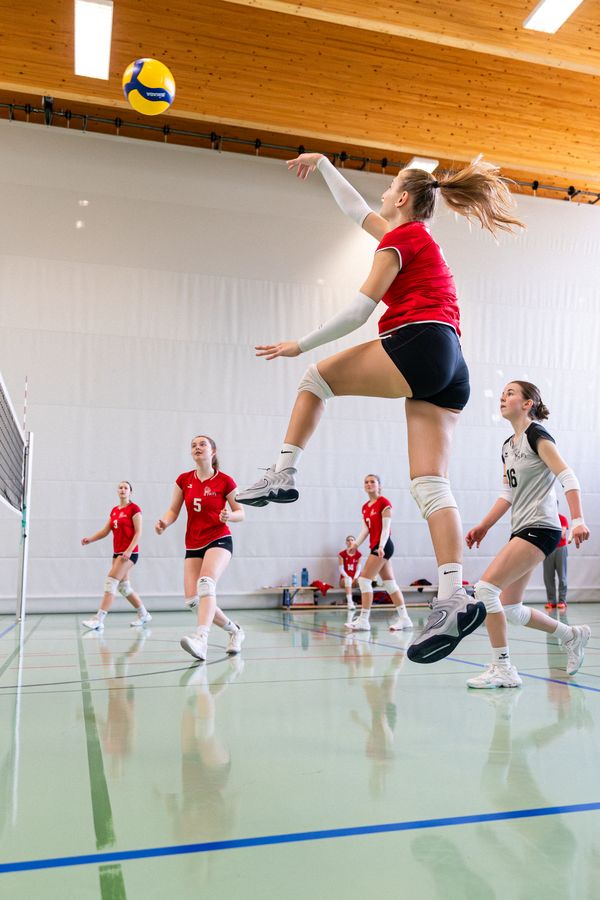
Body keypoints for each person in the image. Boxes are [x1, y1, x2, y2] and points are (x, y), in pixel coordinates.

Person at [237, 151, 524, 662]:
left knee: (314, 378)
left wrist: (299, 344)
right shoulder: (415, 237)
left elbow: (358, 311)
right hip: (452, 363)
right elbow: (356, 211)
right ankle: (452, 595)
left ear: (404, 198)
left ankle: (282, 472)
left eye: (390, 187)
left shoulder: (400, 240)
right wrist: (324, 165)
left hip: (420, 342)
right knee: (430, 484)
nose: (383, 194)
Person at [465, 381, 591, 689]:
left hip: (542, 526)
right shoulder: (508, 446)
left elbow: (568, 476)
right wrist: (484, 525)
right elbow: (507, 494)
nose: (502, 397)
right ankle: (571, 635)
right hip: (522, 528)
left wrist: (577, 520)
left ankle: (503, 668)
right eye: (502, 393)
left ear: (527, 403)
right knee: (510, 607)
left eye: (510, 393)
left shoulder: (537, 435)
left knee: (485, 590)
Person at [155, 435, 245, 662]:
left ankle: (201, 639)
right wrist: (165, 522)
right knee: (193, 601)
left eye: (202, 444)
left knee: (206, 584)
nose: (197, 447)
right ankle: (234, 630)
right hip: (194, 542)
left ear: (213, 451)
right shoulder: (184, 480)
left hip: (219, 538)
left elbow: (241, 512)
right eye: (193, 445)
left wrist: (229, 516)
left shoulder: (224, 481)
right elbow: (173, 510)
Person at [345, 474, 412, 631]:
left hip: (383, 545)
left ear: (379, 485)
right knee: (390, 584)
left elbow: (386, 528)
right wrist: (355, 544)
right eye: (366, 482)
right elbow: (365, 530)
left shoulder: (384, 503)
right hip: (376, 546)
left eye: (372, 482)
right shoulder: (365, 507)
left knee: (364, 580)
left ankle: (363, 620)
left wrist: (381, 546)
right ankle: (405, 619)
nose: (369, 484)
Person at [81, 481, 151, 630]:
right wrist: (90, 539)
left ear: (130, 492)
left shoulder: (134, 509)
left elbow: (139, 532)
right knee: (124, 587)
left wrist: (129, 550)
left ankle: (99, 619)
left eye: (126, 488)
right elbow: (105, 531)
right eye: (120, 487)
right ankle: (144, 614)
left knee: (110, 582)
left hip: (129, 553)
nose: (123, 490)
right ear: (117, 491)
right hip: (117, 552)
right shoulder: (114, 511)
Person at [544, 504, 569, 609]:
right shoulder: (544, 519)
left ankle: (562, 601)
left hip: (560, 549)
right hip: (547, 549)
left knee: (562, 576)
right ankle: (551, 601)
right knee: (548, 577)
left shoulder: (562, 519)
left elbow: (562, 534)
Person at [338, 534, 362, 609]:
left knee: (363, 580)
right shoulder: (341, 554)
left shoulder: (359, 554)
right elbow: (341, 569)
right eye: (348, 540)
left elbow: (359, 569)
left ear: (355, 542)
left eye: (352, 540)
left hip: (354, 579)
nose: (350, 541)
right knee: (348, 580)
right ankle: (350, 603)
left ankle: (365, 602)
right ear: (346, 543)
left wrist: (355, 578)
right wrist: (348, 577)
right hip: (344, 580)